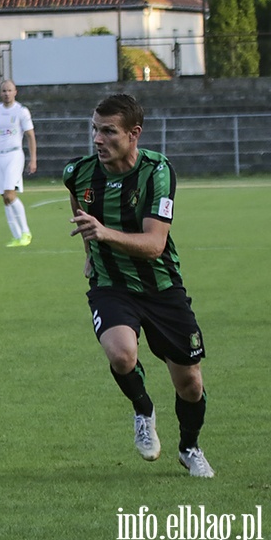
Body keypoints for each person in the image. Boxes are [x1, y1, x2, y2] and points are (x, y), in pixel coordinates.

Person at [64, 93, 213, 478]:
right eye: (94, 129)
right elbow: (81, 213)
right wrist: (89, 250)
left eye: (108, 131)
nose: (97, 139)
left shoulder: (157, 172)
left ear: (134, 134)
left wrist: (104, 233)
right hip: (111, 284)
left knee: (190, 384)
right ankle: (143, 410)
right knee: (121, 354)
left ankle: (189, 447)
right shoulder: (77, 173)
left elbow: (154, 245)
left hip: (161, 286)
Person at [0, 80, 37, 247]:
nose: (6, 93)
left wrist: (33, 159)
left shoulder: (21, 111)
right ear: (0, 93)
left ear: (15, 92)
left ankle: (26, 232)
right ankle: (17, 236)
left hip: (14, 155)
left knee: (10, 194)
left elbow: (30, 136)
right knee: (5, 197)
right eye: (4, 91)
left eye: (9, 90)